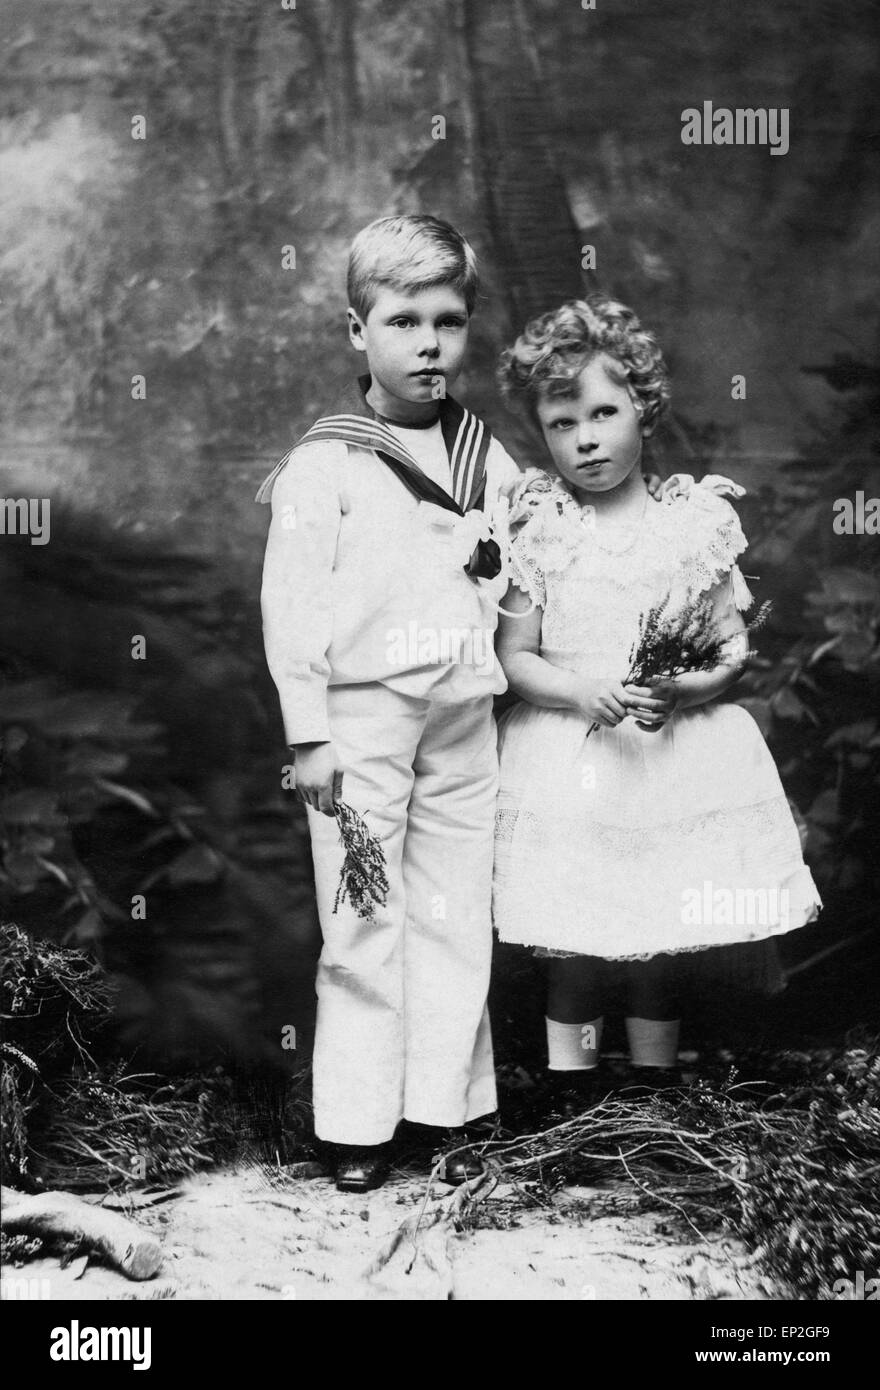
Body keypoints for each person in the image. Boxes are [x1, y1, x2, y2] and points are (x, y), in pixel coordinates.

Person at [492, 295, 822, 1099]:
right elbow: (514, 658)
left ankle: (651, 1086)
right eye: (563, 424)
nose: (587, 439)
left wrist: (684, 688)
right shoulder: (541, 528)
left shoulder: (692, 525)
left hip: (665, 756)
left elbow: (731, 645)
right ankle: (572, 1091)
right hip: (573, 759)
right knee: (571, 936)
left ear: (643, 406)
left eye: (604, 413)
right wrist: (580, 691)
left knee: (657, 934)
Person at [256, 215, 523, 1191]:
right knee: (364, 914)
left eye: (447, 322)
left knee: (454, 912)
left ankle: (446, 1108)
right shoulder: (325, 466)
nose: (427, 344)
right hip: (361, 721)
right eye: (402, 320)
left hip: (462, 713)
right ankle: (359, 1123)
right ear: (355, 331)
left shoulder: (489, 462)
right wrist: (309, 734)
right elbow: (292, 609)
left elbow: (516, 581)